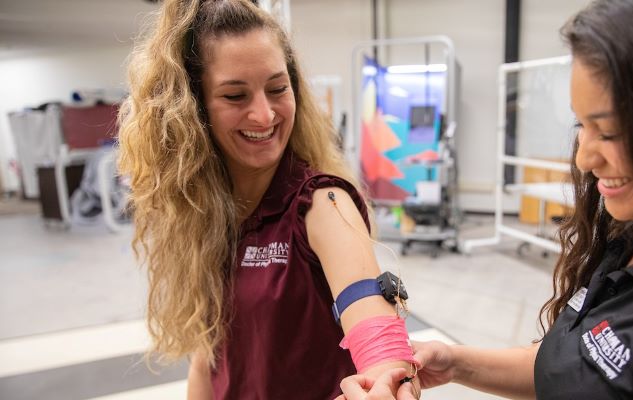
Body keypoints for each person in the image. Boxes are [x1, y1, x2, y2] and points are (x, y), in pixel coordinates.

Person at [339, 0, 633, 398]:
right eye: (581, 127)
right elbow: (579, 369)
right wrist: (455, 362)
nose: (586, 159)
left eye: (608, 132)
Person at [116, 0, 418, 398]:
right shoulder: (204, 214)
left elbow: (371, 320)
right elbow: (209, 359)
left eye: (277, 89)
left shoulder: (322, 203)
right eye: (235, 96)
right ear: (193, 108)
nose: (264, 115)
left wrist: (388, 378)